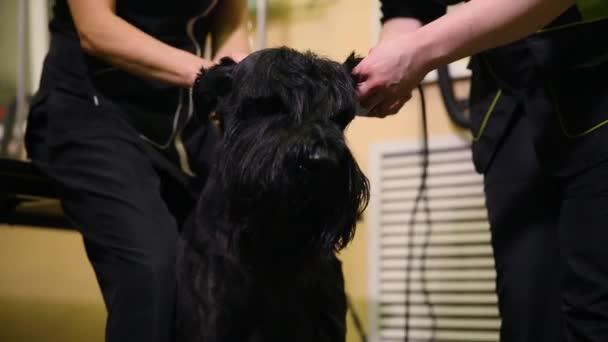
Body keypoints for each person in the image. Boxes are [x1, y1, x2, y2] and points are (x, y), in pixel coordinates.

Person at [354, 0, 608, 341]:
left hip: (595, 81)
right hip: (509, 98)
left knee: (596, 311)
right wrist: (386, 58)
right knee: (525, 312)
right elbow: (407, 8)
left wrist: (417, 51)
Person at [24, 1, 250, 341]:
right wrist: (208, 76)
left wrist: (242, 84)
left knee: (246, 252)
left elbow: (231, 26)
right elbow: (96, 29)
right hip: (88, 110)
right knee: (151, 268)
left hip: (180, 122)